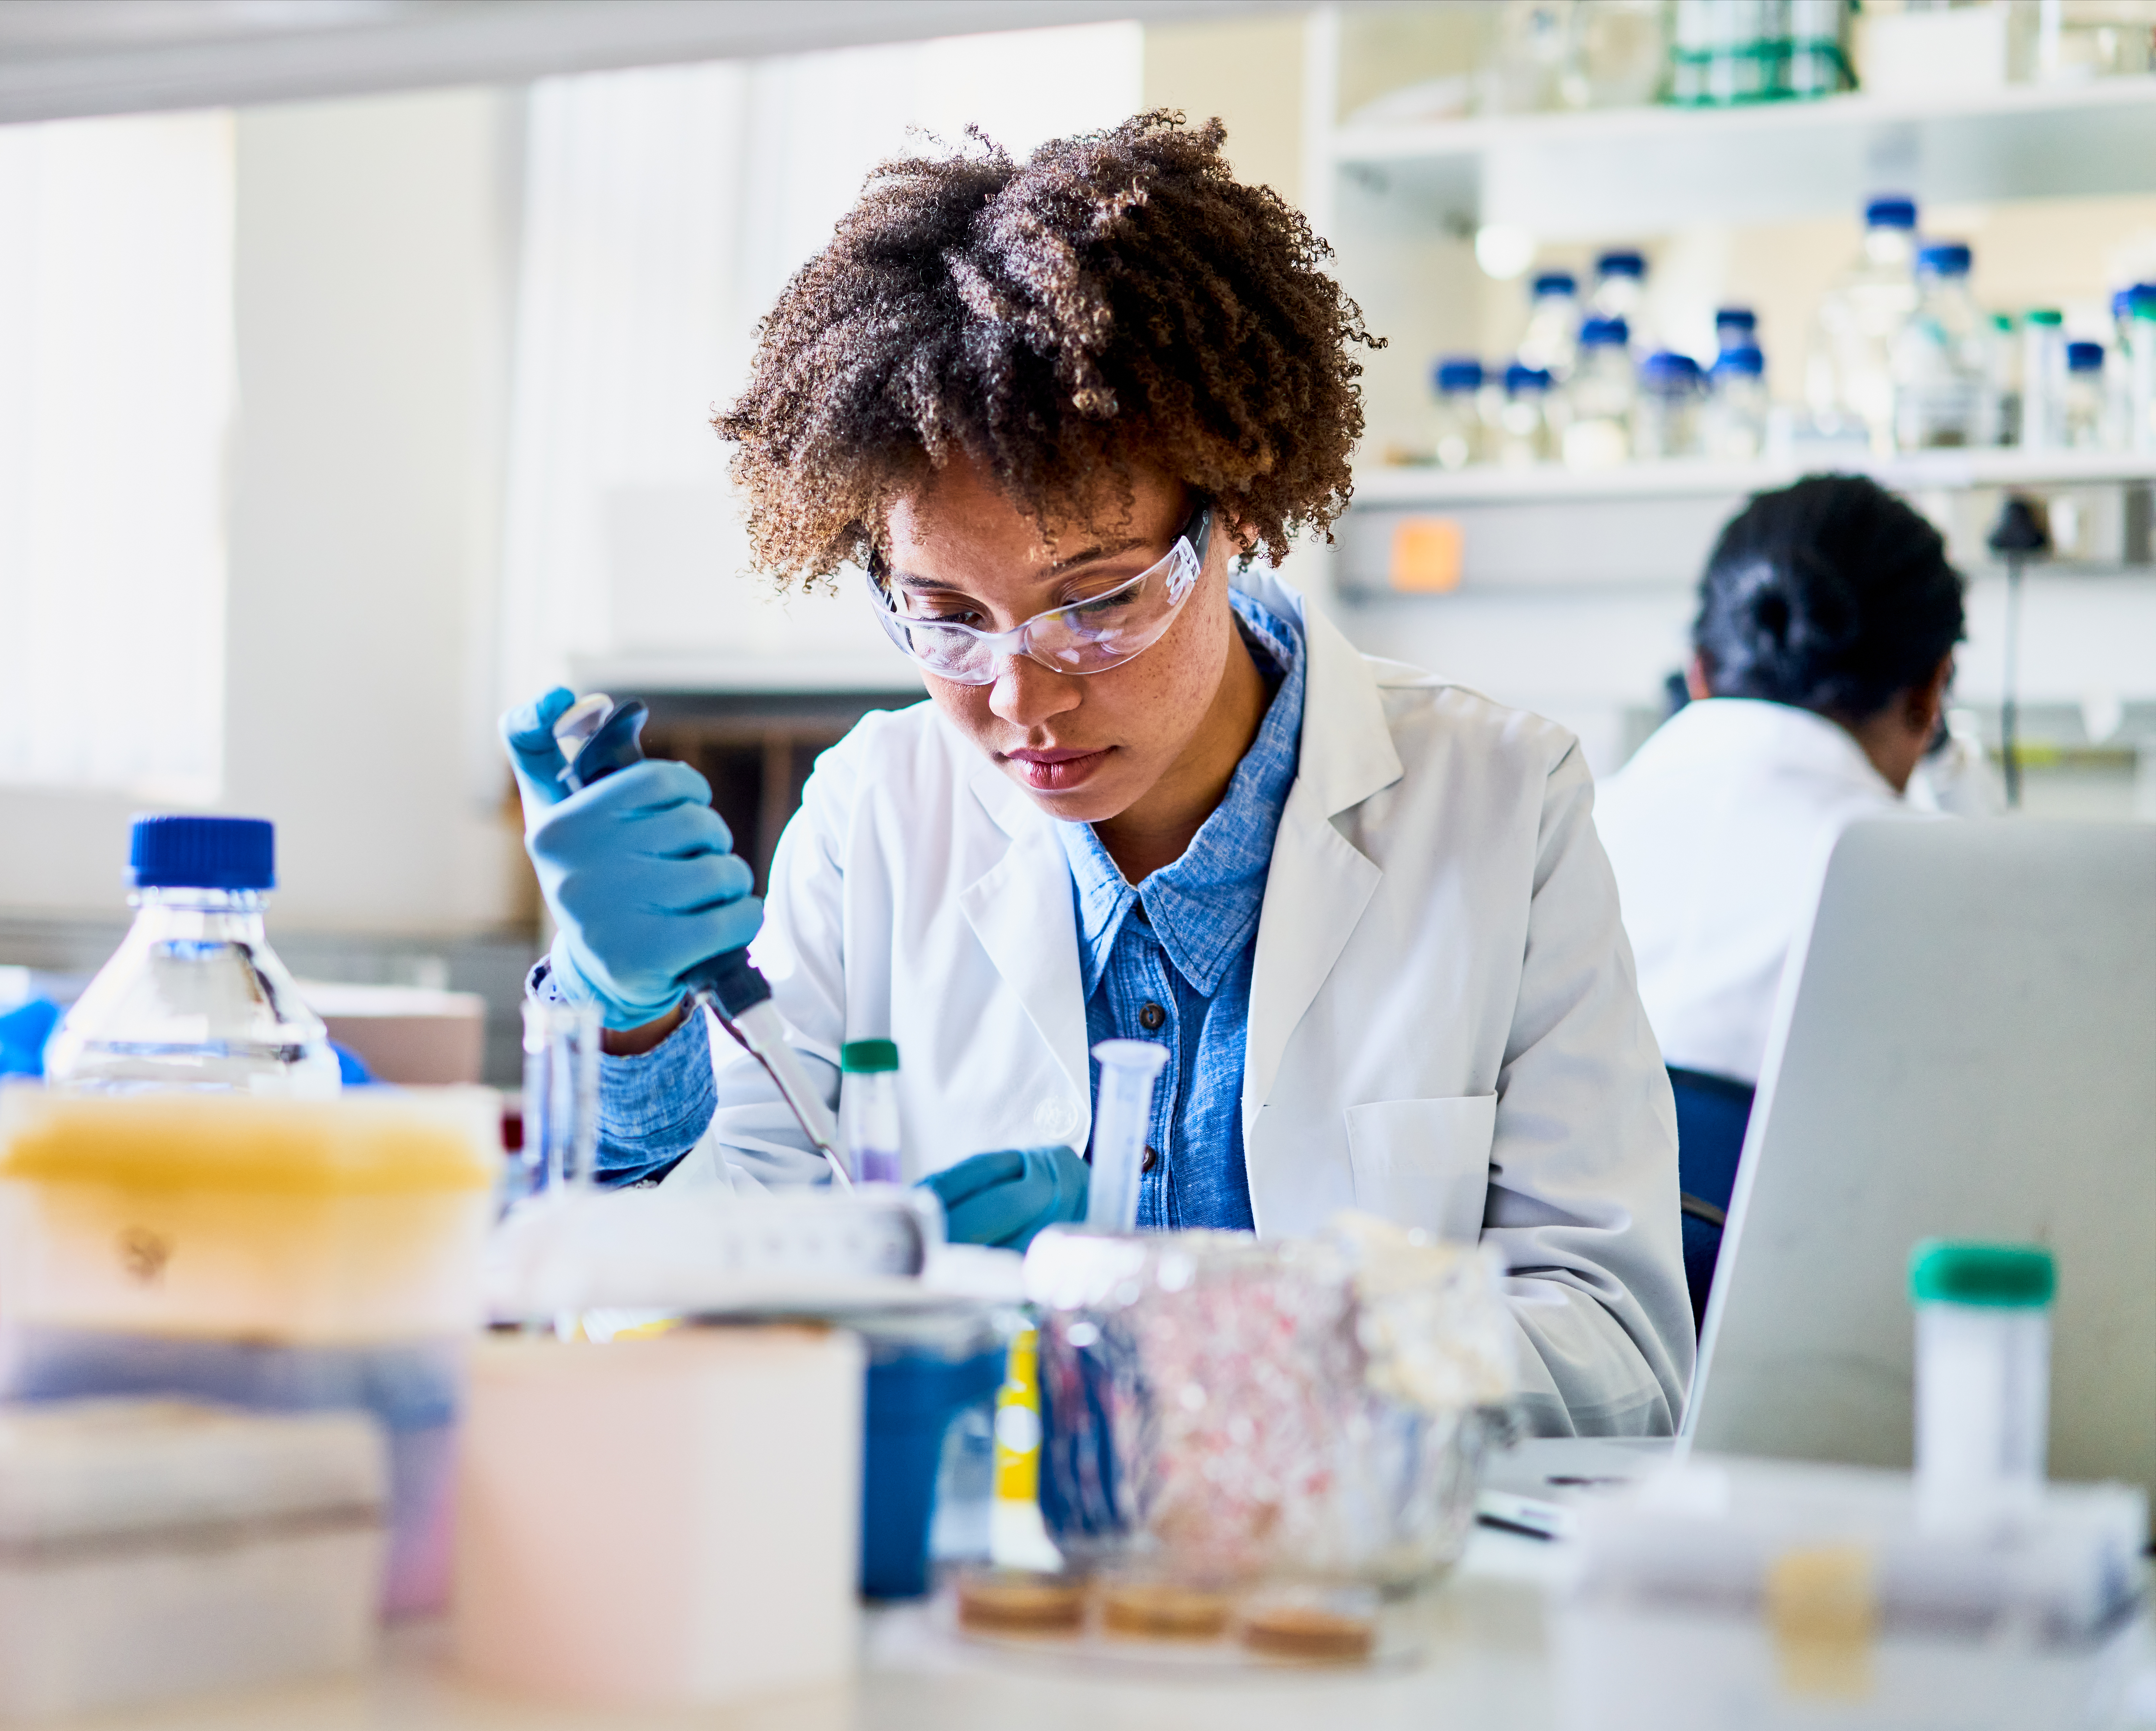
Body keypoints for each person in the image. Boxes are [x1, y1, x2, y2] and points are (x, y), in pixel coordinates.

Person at [506, 115, 1688, 1437]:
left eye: (1098, 602)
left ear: (1238, 510)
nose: (1022, 698)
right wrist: (626, 1027)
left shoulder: (1501, 801)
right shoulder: (872, 811)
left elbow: (1615, 1350)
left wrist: (1197, 1338)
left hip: (1358, 1557)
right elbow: (670, 1295)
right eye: (946, 617)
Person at [1593, 474, 1964, 1320]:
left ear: (1697, 671)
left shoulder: (1553, 828)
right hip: (1825, 1354)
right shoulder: (1955, 889)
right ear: (1929, 694)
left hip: (1540, 1372)